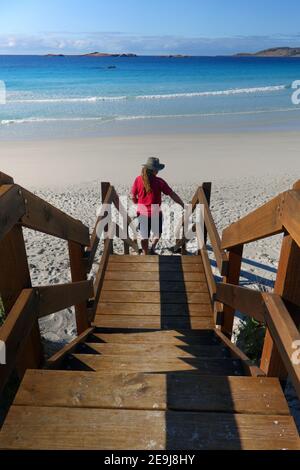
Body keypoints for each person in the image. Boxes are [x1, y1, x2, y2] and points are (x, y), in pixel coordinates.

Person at [131, 157, 184, 255]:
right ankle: (153, 248)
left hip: (142, 212)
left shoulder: (138, 180)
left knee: (144, 236)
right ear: (155, 170)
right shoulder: (159, 181)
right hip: (155, 212)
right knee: (157, 233)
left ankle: (145, 253)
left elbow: (133, 195)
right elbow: (172, 194)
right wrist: (181, 203)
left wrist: (137, 202)